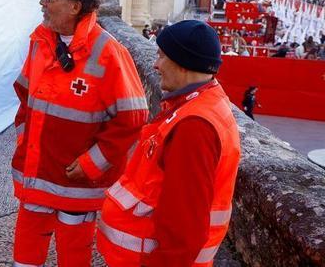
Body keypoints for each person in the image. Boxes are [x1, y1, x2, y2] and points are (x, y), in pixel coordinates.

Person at [12, 0, 148, 267]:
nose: (42, 3)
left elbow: (133, 117)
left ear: (75, 5)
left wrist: (91, 163)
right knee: (26, 247)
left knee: (74, 252)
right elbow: (25, 97)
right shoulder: (40, 42)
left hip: (77, 182)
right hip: (37, 170)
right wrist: (24, 138)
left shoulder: (109, 52)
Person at [97, 20, 241, 267]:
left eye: (162, 56)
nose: (155, 64)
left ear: (183, 64)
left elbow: (184, 230)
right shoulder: (200, 105)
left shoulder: (194, 127)